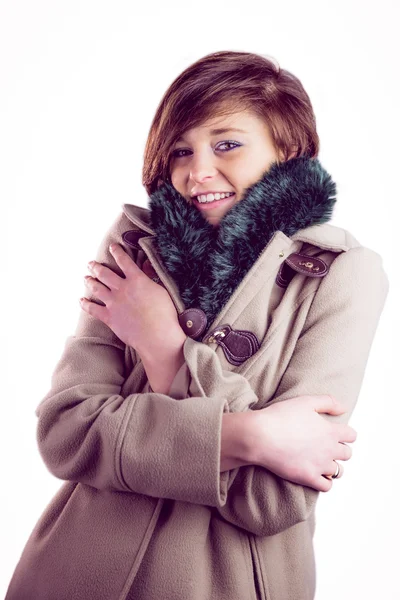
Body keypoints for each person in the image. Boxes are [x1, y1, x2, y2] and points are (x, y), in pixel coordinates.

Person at [5, 50, 389, 600]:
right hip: (71, 573)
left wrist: (165, 349)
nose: (196, 170)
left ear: (289, 148)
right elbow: (65, 432)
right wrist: (251, 435)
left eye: (226, 143)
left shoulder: (342, 274)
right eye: (180, 150)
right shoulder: (134, 251)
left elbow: (270, 500)